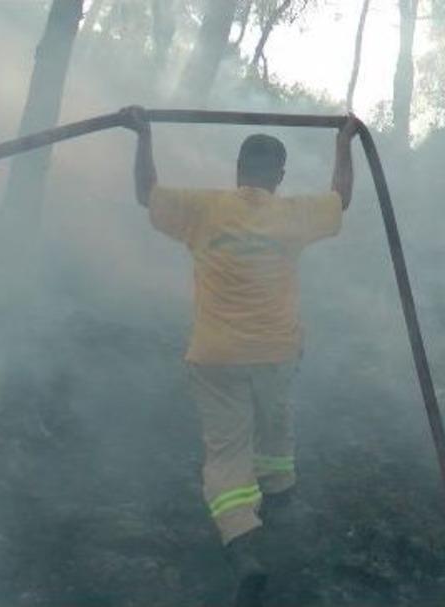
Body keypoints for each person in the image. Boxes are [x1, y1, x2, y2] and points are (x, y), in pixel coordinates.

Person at [119, 105, 358, 604]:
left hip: (216, 356)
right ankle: (279, 498)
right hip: (275, 354)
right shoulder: (292, 215)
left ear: (237, 171)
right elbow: (342, 198)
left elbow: (147, 194)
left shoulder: (205, 209)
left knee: (228, 454)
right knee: (275, 431)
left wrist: (143, 133)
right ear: (280, 176)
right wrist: (345, 141)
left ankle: (242, 542)